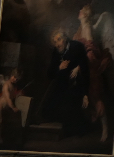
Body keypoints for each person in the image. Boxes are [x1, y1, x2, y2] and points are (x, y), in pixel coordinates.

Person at [41, 29, 90, 137]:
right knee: (49, 108)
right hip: (63, 85)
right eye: (55, 42)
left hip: (77, 84)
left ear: (65, 39)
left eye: (59, 40)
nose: (57, 44)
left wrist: (79, 67)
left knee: (72, 109)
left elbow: (86, 66)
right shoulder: (56, 52)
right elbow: (50, 73)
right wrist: (59, 67)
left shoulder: (77, 46)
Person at [74, 5, 112, 141]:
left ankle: (105, 129)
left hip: (90, 68)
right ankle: (87, 124)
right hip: (84, 67)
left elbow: (91, 51)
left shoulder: (87, 28)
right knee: (84, 97)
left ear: (85, 15)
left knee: (95, 97)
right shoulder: (81, 29)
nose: (79, 12)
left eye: (81, 11)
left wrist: (81, 64)